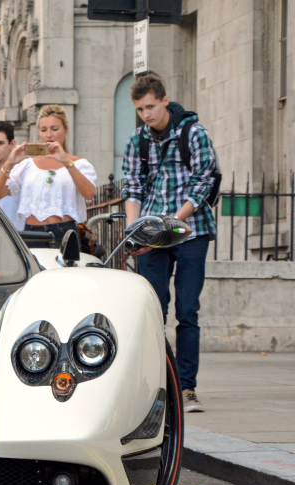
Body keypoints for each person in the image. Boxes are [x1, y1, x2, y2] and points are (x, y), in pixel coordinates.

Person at [122, 74, 218, 413]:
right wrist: (135, 227)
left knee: (187, 311)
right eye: (139, 109)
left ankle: (188, 389)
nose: (146, 114)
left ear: (164, 100)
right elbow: (132, 185)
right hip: (153, 234)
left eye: (150, 106)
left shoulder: (194, 133)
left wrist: (176, 221)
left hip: (191, 230)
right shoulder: (138, 141)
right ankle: (159, 386)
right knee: (153, 310)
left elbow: (203, 181)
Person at [0, 104, 96, 244]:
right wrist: (9, 164)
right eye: (43, 130)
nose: (48, 135)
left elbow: (89, 193)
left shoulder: (79, 164)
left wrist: (66, 162)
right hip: (32, 232)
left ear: (66, 131)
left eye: (54, 129)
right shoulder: (27, 165)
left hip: (64, 232)